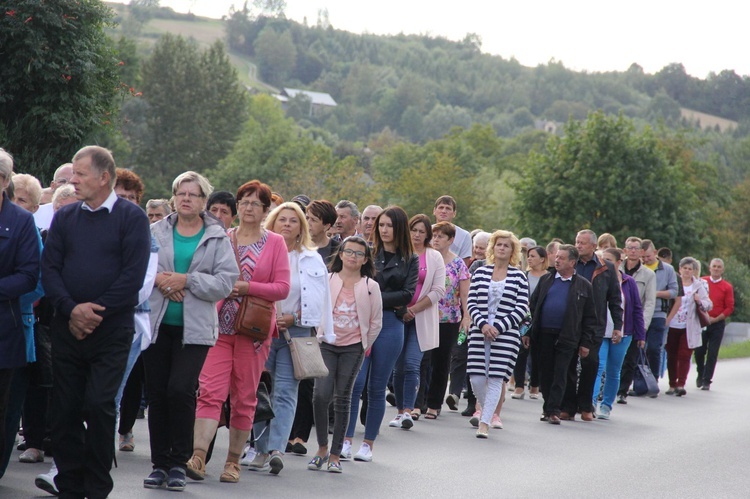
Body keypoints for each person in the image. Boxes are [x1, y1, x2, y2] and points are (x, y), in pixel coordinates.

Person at [41, 146, 150, 498]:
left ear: (104, 177)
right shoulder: (66, 217)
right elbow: (51, 269)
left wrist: (93, 312)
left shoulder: (131, 219)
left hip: (112, 330)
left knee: (100, 404)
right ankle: (70, 483)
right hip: (67, 327)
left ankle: (98, 484)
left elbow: (132, 277)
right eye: (73, 173)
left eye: (80, 174)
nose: (73, 180)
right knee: (66, 406)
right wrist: (72, 310)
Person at [184, 180, 289, 484]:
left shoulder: (275, 243)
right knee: (209, 392)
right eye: (244, 202)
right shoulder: (221, 238)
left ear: (265, 209)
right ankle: (199, 456)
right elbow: (202, 276)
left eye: (255, 203)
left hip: (253, 332)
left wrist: (247, 287)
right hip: (218, 328)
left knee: (244, 397)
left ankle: (233, 462)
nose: (248, 208)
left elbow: (282, 287)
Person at [143, 171, 238, 491]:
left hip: (195, 329)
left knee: (180, 390)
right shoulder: (156, 230)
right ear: (173, 197)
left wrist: (187, 281)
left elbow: (226, 281)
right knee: (157, 393)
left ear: (203, 201)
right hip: (157, 324)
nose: (186, 198)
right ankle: (159, 464)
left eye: (193, 194)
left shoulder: (217, 236)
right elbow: (141, 268)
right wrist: (162, 281)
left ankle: (179, 463)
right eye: (181, 193)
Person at [250, 202, 333, 475]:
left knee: (286, 391)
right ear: (271, 224)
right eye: (281, 219)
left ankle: (276, 449)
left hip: (294, 332)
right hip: (260, 328)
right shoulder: (260, 252)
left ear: (301, 228)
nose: (287, 224)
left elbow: (322, 299)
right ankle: (260, 449)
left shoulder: (312, 257)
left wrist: (295, 319)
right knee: (259, 390)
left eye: (293, 220)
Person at [345, 206, 417, 462]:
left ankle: (368, 444)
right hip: (361, 322)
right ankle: (345, 440)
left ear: (399, 229)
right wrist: (384, 297)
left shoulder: (410, 258)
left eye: (389, 226)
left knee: (376, 387)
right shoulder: (368, 252)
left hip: (390, 325)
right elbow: (354, 284)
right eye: (381, 225)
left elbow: (408, 295)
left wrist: (373, 295)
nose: (384, 230)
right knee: (355, 383)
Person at [308, 236, 383, 473]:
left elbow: (376, 322)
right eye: (349, 252)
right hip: (327, 344)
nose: (353, 256)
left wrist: (363, 345)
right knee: (321, 395)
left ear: (365, 259)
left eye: (359, 254)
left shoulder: (371, 286)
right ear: (340, 254)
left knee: (343, 398)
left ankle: (335, 454)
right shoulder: (328, 279)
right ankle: (321, 447)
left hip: (353, 348)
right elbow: (315, 309)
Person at [0, 150, 41, 476]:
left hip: (6, 327)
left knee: (3, 410)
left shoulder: (21, 221)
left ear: (3, 181)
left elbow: (31, 275)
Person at [113, 169, 159, 454]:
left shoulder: (146, 236)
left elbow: (143, 285)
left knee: (111, 395)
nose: (128, 202)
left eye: (132, 197)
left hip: (127, 322)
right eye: (121, 196)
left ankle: (96, 460)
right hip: (89, 319)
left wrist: (106, 305)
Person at [466, 230, 529, 437]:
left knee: (495, 378)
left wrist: (499, 327)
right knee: (476, 378)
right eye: (499, 244)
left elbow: (521, 308)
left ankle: (484, 423)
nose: (502, 248)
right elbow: (471, 302)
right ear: (493, 248)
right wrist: (483, 324)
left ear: (513, 250)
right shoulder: (481, 272)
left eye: (506, 245)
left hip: (505, 334)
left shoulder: (519, 276)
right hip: (479, 330)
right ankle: (488, 412)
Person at [526, 245, 596, 425]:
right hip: (543, 334)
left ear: (572, 262)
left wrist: (586, 342)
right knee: (545, 374)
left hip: (568, 336)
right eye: (556, 257)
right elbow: (532, 307)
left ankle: (554, 410)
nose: (557, 260)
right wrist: (526, 331)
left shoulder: (583, 285)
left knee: (561, 373)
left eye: (562, 258)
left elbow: (589, 317)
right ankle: (548, 408)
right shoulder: (546, 280)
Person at [391, 215, 445, 427]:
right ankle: (398, 410)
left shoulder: (434, 257)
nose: (417, 235)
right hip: (396, 316)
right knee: (398, 366)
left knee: (413, 363)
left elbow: (439, 290)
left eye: (422, 231)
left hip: (420, 317)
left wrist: (412, 310)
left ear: (427, 235)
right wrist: (401, 308)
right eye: (414, 230)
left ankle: (408, 410)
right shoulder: (399, 252)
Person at [568, 229, 622, 421]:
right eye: (577, 242)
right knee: (568, 365)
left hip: (594, 325)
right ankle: (567, 405)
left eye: (582, 243)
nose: (578, 246)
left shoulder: (605, 267)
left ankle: (586, 405)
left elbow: (615, 299)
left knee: (590, 364)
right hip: (571, 323)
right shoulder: (570, 263)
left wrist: (618, 325)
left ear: (593, 246)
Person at [593, 248, 645, 420]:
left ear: (618, 262)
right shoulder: (597, 278)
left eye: (607, 259)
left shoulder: (628, 282)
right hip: (600, 331)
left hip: (623, 333)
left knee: (614, 370)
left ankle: (606, 405)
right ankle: (591, 403)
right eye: (601, 259)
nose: (603, 262)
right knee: (597, 367)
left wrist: (640, 335)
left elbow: (637, 309)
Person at [425, 222, 470, 420]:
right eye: (434, 235)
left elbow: (465, 294)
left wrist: (467, 316)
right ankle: (419, 403)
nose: (436, 239)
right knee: (423, 361)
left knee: (442, 362)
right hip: (425, 315)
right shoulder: (425, 258)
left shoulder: (458, 263)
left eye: (441, 236)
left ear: (451, 240)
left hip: (448, 318)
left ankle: (434, 404)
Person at [616, 237, 656, 403]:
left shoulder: (648, 274)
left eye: (636, 248)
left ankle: (622, 391)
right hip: (617, 318)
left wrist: (643, 327)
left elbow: (649, 302)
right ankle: (611, 387)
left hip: (634, 321)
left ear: (641, 252)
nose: (632, 251)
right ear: (624, 250)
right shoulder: (616, 269)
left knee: (630, 358)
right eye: (629, 248)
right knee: (615, 357)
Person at [665, 257, 712, 396]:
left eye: (690, 269)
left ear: (693, 271)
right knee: (672, 355)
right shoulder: (673, 283)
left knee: (684, 355)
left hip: (689, 325)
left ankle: (681, 384)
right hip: (672, 324)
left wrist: (699, 301)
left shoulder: (698, 285)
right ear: (679, 269)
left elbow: (709, 303)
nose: (687, 271)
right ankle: (672, 384)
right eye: (684, 268)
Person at [511, 245, 547, 400]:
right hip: (523, 318)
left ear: (542, 259)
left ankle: (534, 385)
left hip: (542, 319)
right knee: (520, 351)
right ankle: (519, 385)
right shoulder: (523, 275)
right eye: (528, 256)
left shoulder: (548, 277)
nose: (529, 259)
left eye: (533, 256)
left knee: (538, 353)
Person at [695, 258, 734, 390]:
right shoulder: (702, 282)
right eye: (714, 266)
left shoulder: (727, 287)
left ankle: (707, 380)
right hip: (702, 321)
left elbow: (729, 307)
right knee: (699, 351)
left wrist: (716, 319)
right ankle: (700, 373)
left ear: (722, 269)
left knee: (712, 352)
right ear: (710, 268)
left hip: (717, 323)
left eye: (719, 267)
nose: (716, 269)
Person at [432, 195, 472, 265]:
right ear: (434, 211)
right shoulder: (426, 231)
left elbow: (464, 266)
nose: (444, 211)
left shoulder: (464, 235)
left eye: (448, 208)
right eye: (441, 207)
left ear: (454, 213)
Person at [33, 162, 73, 230]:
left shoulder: (87, 213)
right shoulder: (36, 213)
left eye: (72, 182)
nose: (68, 185)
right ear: (53, 185)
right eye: (62, 181)